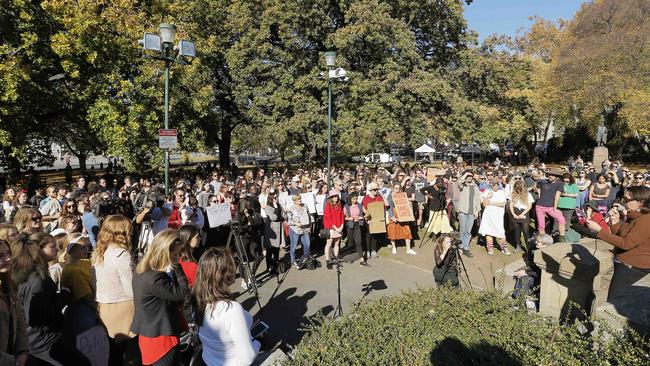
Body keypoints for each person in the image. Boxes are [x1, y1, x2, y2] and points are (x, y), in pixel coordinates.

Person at [11, 233, 90, 365]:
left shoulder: (28, 271)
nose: (57, 249)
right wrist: (64, 296)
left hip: (38, 340)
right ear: (39, 249)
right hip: (43, 343)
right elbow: (38, 315)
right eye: (52, 246)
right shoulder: (38, 280)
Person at [131, 229, 189, 366]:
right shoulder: (155, 278)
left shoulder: (142, 270)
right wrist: (177, 267)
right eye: (175, 254)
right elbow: (184, 293)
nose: (177, 257)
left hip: (149, 333)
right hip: (161, 338)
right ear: (164, 251)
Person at [194, 247, 261, 365]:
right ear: (225, 274)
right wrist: (257, 343)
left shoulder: (200, 300)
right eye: (232, 264)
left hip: (209, 361)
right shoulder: (231, 309)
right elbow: (247, 358)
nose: (235, 268)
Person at [586, 186, 650, 300]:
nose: (623, 202)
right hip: (626, 265)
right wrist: (614, 222)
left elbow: (626, 243)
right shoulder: (634, 216)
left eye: (627, 200)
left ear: (641, 202)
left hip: (634, 269)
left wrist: (599, 231)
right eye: (623, 199)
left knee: (615, 301)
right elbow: (622, 236)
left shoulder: (646, 220)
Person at [92, 215, 138, 365]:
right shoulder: (121, 254)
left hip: (104, 306)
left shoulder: (99, 252)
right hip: (123, 306)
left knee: (113, 351)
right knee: (131, 352)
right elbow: (131, 288)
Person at [0, 239, 29, 366]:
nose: (7, 259)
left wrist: (23, 352)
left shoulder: (10, 285)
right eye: (0, 256)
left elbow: (20, 321)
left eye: (8, 253)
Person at [479, 179, 511, 255]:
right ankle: (490, 247)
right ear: (491, 185)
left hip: (498, 216)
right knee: (488, 231)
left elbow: (502, 204)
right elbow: (484, 204)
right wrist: (488, 197)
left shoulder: (502, 192)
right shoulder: (487, 192)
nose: (495, 186)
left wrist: (491, 202)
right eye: (493, 184)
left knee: (501, 231)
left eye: (497, 184)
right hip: (488, 215)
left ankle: (503, 247)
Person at [535, 169, 566, 241]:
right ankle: (542, 241)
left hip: (550, 207)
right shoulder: (542, 181)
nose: (550, 176)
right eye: (549, 174)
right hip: (539, 206)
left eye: (553, 175)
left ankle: (562, 238)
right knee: (541, 225)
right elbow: (536, 186)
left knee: (561, 219)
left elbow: (557, 196)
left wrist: (555, 208)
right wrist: (538, 193)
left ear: (557, 177)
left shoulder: (559, 183)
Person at [455, 172, 481, 257]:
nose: (469, 177)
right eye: (468, 176)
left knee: (468, 231)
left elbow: (477, 199)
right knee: (462, 230)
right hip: (463, 210)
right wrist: (465, 174)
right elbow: (458, 182)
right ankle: (460, 247)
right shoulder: (463, 185)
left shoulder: (475, 186)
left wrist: (477, 210)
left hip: (472, 211)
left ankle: (466, 248)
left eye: (471, 176)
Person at [386, 184, 417, 255]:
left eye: (399, 188)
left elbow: (405, 204)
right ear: (393, 188)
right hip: (394, 214)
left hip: (402, 213)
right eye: (396, 188)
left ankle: (408, 249)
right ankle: (394, 247)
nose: (397, 190)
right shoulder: (390, 195)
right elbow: (389, 207)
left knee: (407, 230)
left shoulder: (402, 195)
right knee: (392, 231)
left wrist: (407, 215)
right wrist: (392, 216)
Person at [286, 195, 312, 269]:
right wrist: (296, 223)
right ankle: (293, 260)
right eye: (297, 199)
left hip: (305, 229)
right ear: (294, 201)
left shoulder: (305, 206)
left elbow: (309, 216)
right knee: (294, 245)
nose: (299, 200)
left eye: (300, 199)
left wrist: (309, 226)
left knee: (307, 244)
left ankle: (305, 258)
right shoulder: (291, 208)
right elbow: (289, 220)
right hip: (295, 229)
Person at [263, 192, 285, 276]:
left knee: (276, 251)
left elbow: (283, 216)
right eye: (275, 198)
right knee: (270, 251)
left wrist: (280, 211)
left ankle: (275, 268)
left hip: (279, 230)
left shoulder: (279, 206)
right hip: (271, 232)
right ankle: (269, 268)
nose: (277, 199)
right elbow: (274, 217)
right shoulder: (267, 207)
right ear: (271, 199)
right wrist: (276, 207)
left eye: (277, 198)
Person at [344, 193, 369, 266]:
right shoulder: (346, 206)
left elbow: (367, 213)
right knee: (350, 243)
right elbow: (344, 217)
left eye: (356, 199)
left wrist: (362, 217)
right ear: (350, 199)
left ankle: (362, 260)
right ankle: (350, 257)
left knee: (358, 243)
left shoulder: (359, 205)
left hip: (357, 225)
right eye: (354, 199)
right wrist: (349, 218)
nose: (355, 200)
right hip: (350, 225)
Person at [509, 180, 534, 252]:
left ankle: (529, 248)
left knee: (526, 231)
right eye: (516, 189)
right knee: (517, 231)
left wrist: (522, 214)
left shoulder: (528, 195)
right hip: (515, 212)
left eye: (519, 189)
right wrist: (513, 214)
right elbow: (511, 204)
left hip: (524, 213)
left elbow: (529, 206)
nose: (517, 191)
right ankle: (518, 246)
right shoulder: (512, 194)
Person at [323, 189, 344, 269]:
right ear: (331, 197)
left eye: (336, 196)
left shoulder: (339, 204)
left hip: (339, 227)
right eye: (334, 196)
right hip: (331, 227)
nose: (335, 198)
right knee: (329, 244)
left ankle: (336, 257)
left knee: (337, 243)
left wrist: (341, 226)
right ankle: (327, 260)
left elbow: (342, 215)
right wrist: (335, 227)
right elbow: (328, 218)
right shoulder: (328, 205)